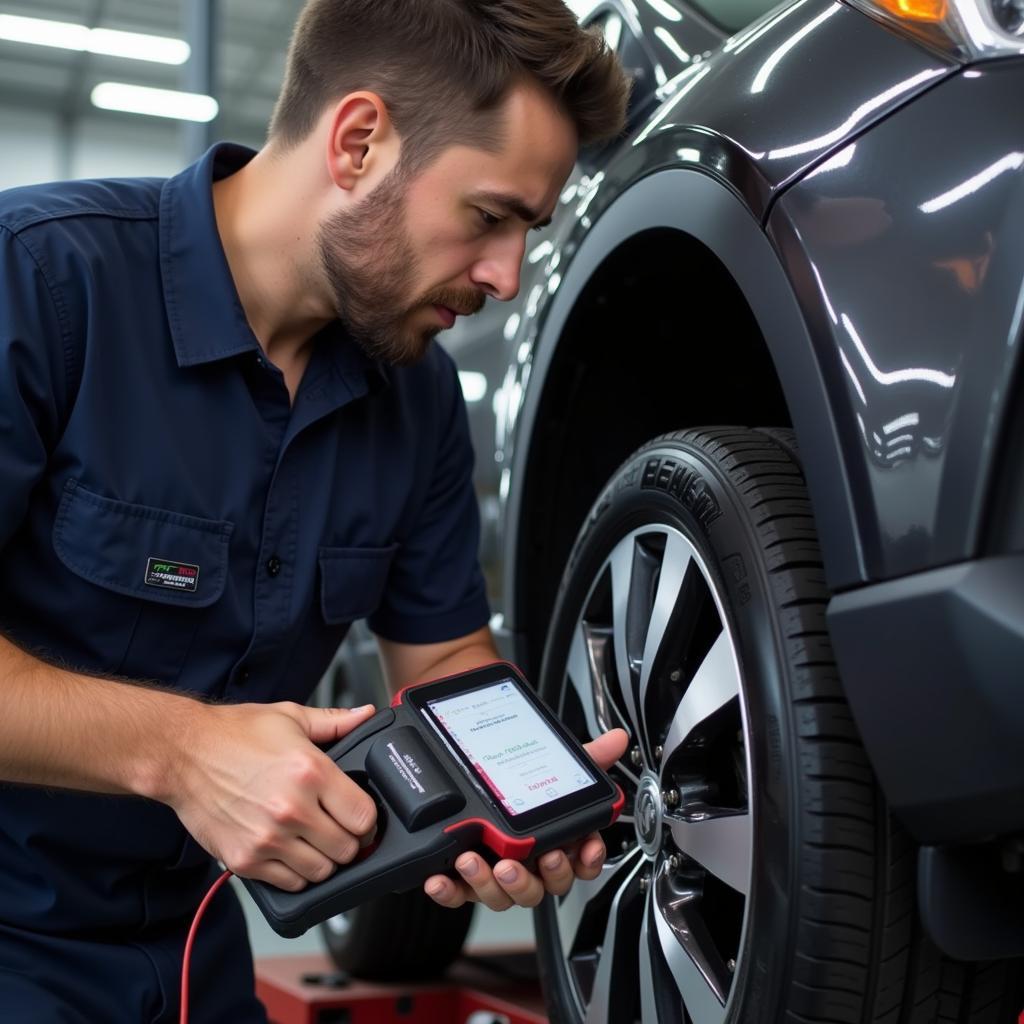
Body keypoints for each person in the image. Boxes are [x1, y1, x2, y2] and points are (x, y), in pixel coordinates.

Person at [0, 0, 631, 1021]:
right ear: (358, 141)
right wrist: (183, 750)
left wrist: (519, 792)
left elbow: (443, 666)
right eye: (488, 215)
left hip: (194, 958)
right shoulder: (36, 282)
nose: (507, 278)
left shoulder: (411, 396)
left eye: (529, 230)